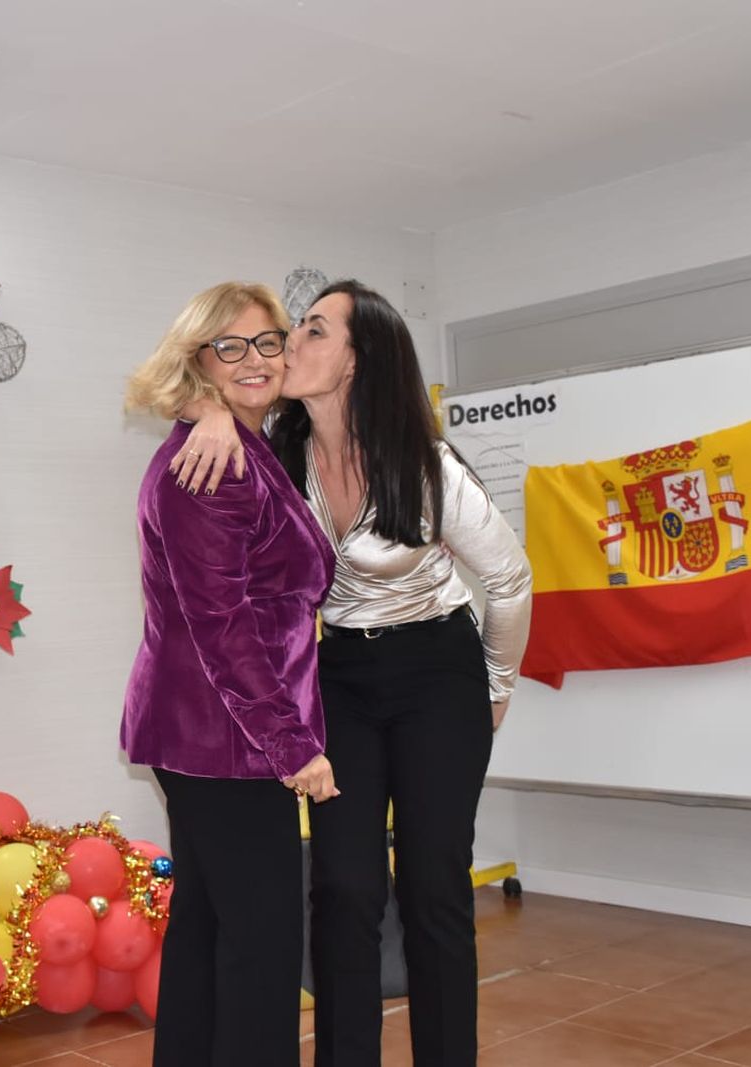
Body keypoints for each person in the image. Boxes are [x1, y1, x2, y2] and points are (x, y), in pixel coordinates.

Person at [179, 280, 532, 1066]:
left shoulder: (425, 463)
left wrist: (496, 689)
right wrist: (209, 411)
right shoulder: (277, 452)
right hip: (338, 674)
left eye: (309, 333)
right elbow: (222, 399)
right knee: (343, 888)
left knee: (434, 888)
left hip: (437, 668)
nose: (284, 348)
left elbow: (510, 581)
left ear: (355, 361)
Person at [121, 281, 338, 1067]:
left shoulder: (238, 442)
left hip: (210, 734)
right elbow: (223, 626)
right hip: (228, 738)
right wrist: (292, 743)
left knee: (211, 933)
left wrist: (210, 408)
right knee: (262, 946)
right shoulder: (211, 462)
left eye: (266, 342)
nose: (255, 360)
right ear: (200, 360)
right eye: (230, 346)